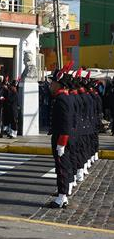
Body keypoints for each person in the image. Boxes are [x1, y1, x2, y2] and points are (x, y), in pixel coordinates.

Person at [48, 69, 74, 208]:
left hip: (61, 138)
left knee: (61, 167)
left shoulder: (62, 99)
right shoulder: (62, 97)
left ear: (59, 84)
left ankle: (62, 197)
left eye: (53, 82)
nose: (51, 84)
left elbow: (66, 123)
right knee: (62, 166)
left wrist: (61, 143)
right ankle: (62, 196)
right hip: (60, 137)